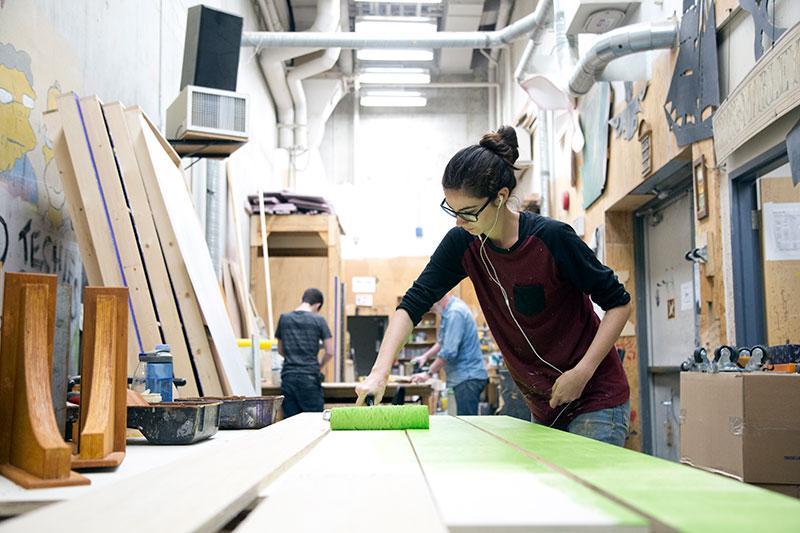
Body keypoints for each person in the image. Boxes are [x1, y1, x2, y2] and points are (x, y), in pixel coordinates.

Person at [357, 126, 632, 446]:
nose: (459, 222)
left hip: (595, 395)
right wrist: (379, 372)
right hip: (545, 405)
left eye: (468, 212)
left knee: (589, 493)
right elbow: (413, 303)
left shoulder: (551, 239)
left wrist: (582, 372)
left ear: (501, 197)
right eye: (452, 211)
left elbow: (619, 303)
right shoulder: (463, 243)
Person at [410, 294, 488, 415]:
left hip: (467, 378)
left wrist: (428, 373)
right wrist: (425, 356)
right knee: (465, 423)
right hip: (464, 378)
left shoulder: (454, 313)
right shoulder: (449, 312)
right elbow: (442, 342)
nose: (429, 309)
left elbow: (449, 352)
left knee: (467, 426)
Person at [276, 288, 334, 417]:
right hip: (310, 377)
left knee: (291, 423)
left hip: (288, 377)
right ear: (318, 305)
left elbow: (280, 350)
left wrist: (293, 358)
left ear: (303, 300)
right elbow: (330, 351)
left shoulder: (284, 319)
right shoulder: (319, 320)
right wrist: (319, 367)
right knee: (313, 422)